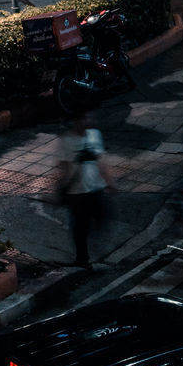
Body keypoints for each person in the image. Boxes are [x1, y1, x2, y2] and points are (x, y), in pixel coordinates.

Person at [56, 115, 113, 270]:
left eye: (89, 117)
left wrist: (109, 181)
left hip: (95, 187)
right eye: (83, 118)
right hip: (77, 192)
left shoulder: (95, 134)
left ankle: (93, 247)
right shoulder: (66, 141)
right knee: (80, 227)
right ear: (76, 120)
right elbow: (63, 167)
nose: (87, 121)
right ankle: (83, 258)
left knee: (103, 215)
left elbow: (101, 160)